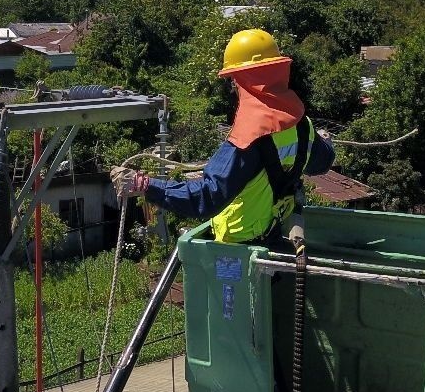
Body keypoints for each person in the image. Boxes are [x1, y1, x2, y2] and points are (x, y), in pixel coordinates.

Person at [112, 29, 335, 249]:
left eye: (233, 81)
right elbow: (322, 162)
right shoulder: (303, 127)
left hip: (237, 248)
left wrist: (145, 185)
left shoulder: (247, 139)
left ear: (242, 81)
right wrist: (325, 142)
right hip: (271, 235)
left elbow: (207, 197)